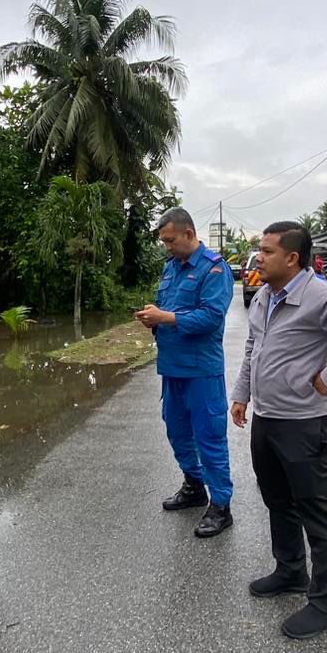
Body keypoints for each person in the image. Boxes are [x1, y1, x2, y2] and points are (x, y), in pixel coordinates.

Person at [231, 221, 327, 639]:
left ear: (292, 258)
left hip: (303, 423)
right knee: (277, 501)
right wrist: (242, 393)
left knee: (314, 512)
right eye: (260, 250)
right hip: (267, 419)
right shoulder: (263, 296)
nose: (258, 258)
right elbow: (253, 349)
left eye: (267, 251)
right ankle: (290, 571)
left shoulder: (321, 297)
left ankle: (325, 603)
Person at [134, 208, 235, 538]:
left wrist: (165, 318)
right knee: (177, 431)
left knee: (210, 437)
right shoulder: (171, 267)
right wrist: (153, 319)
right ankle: (194, 486)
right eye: (164, 241)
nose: (167, 246)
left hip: (201, 371)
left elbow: (211, 317)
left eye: (170, 240)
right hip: (173, 368)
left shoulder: (214, 269)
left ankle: (221, 505)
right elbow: (168, 309)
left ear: (189, 234)